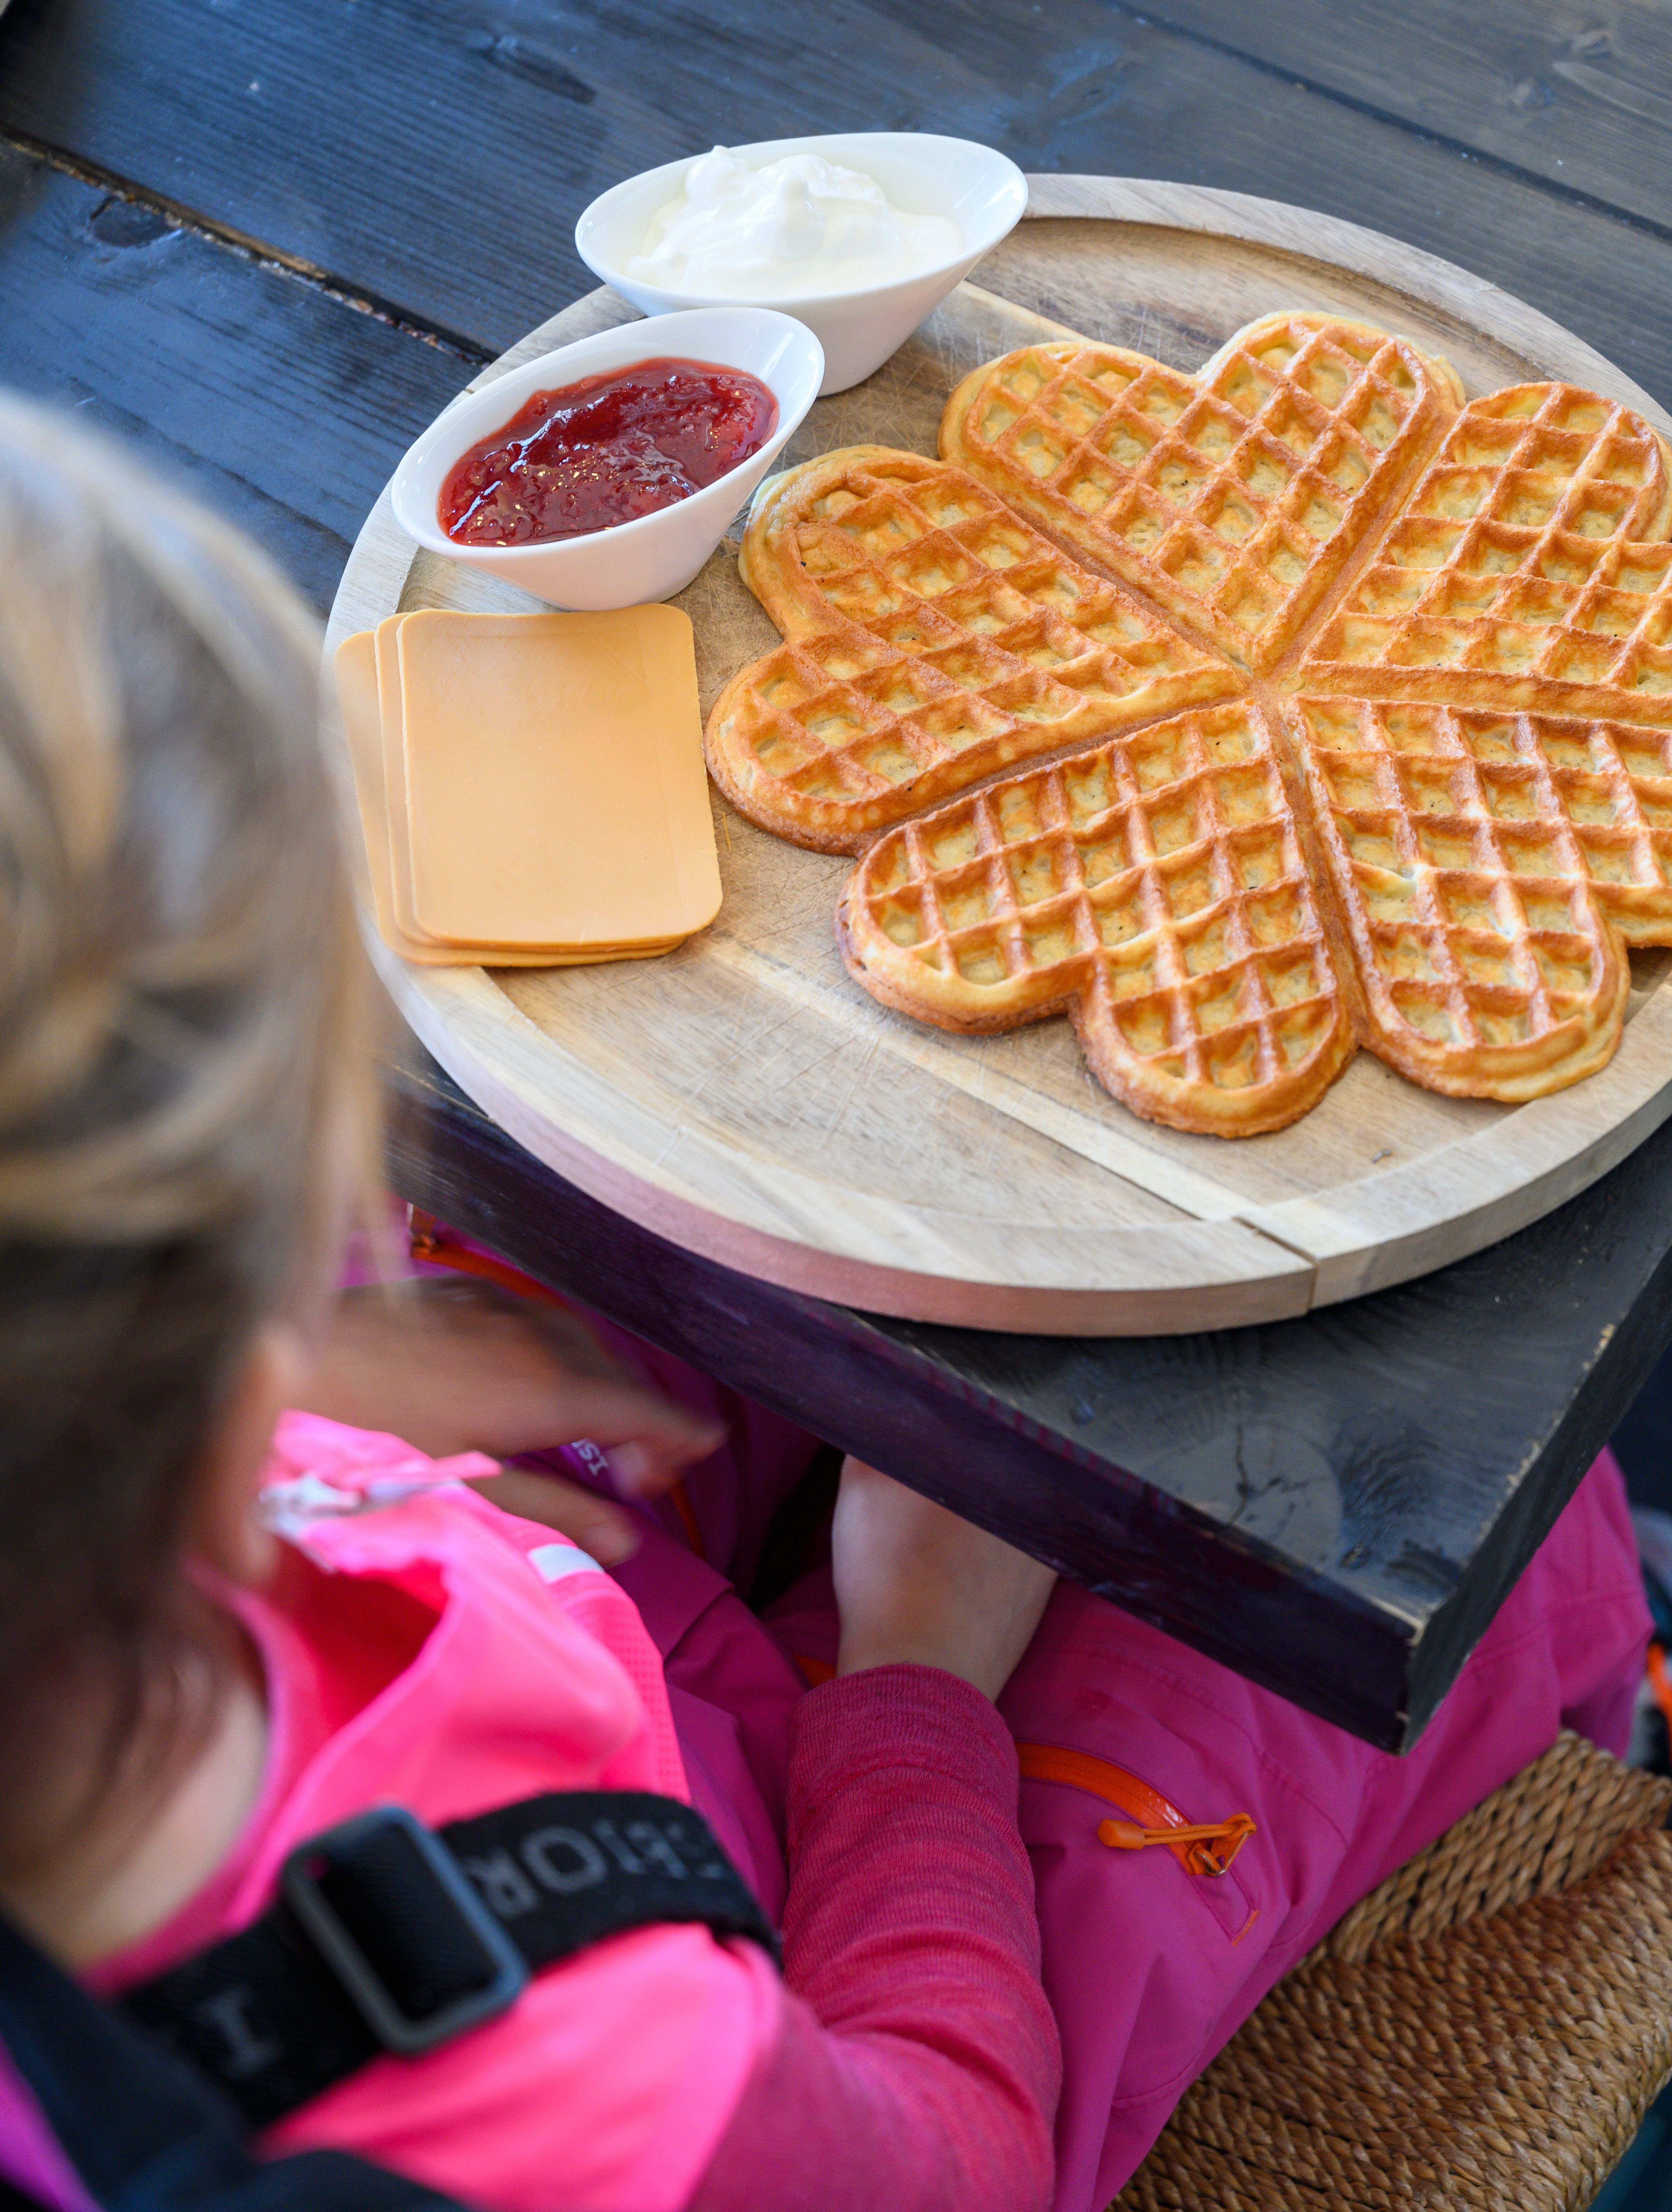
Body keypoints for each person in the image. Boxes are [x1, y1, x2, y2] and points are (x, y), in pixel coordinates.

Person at [0, 393, 1650, 2212]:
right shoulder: (556, 2072)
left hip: (344, 1560)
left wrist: (310, 1389)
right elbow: (948, 2166)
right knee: (1312, 1522)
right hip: (785, 1928)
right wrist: (915, 1678)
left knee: (652, 1277)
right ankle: (1589, 1680)